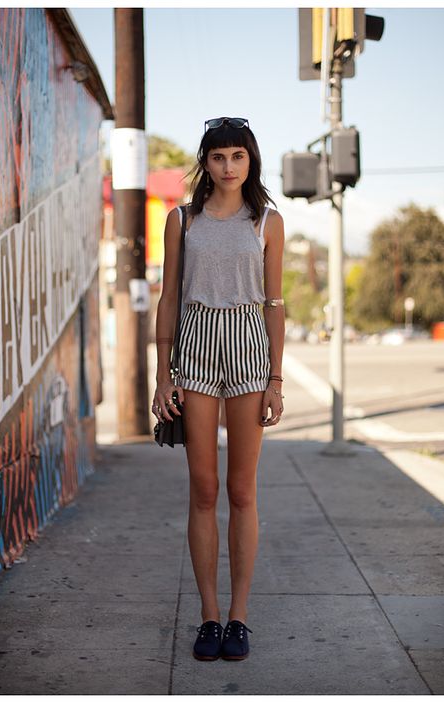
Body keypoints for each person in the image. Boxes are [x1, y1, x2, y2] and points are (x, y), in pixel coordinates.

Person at [152, 117, 285, 661]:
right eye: (218, 156)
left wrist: (276, 376)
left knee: (242, 491)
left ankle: (239, 617)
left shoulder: (268, 222)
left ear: (250, 161)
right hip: (197, 344)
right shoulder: (181, 219)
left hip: (250, 345)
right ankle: (209, 616)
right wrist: (163, 373)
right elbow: (168, 297)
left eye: (238, 156)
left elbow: (275, 303)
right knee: (204, 489)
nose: (228, 166)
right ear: (203, 162)